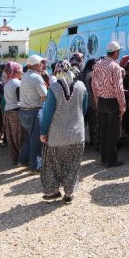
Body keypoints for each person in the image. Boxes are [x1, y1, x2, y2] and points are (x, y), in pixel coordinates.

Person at [39, 60, 88, 204]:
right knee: (73, 164)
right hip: (77, 134)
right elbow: (84, 110)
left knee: (53, 164)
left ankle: (53, 191)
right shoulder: (82, 87)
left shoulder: (54, 88)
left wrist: (43, 132)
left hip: (57, 135)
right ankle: (69, 193)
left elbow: (47, 114)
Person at [92, 41, 126, 168]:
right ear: (116, 52)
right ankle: (111, 160)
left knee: (104, 131)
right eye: (119, 51)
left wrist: (96, 99)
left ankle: (104, 158)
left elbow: (93, 84)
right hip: (112, 102)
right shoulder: (115, 67)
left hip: (101, 101)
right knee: (113, 133)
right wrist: (122, 105)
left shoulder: (98, 64)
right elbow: (119, 88)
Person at [18, 55, 47, 171]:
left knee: (30, 138)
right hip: (34, 111)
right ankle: (36, 166)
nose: (42, 65)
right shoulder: (36, 77)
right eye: (41, 63)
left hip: (24, 111)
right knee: (36, 141)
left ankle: (22, 160)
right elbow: (45, 96)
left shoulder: (25, 75)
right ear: (35, 65)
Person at [2, 61, 24, 164]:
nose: (22, 73)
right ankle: (21, 158)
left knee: (11, 137)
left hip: (8, 111)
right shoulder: (17, 83)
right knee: (19, 137)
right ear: (15, 72)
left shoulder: (6, 83)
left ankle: (14, 158)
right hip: (16, 111)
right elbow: (20, 98)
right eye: (20, 71)